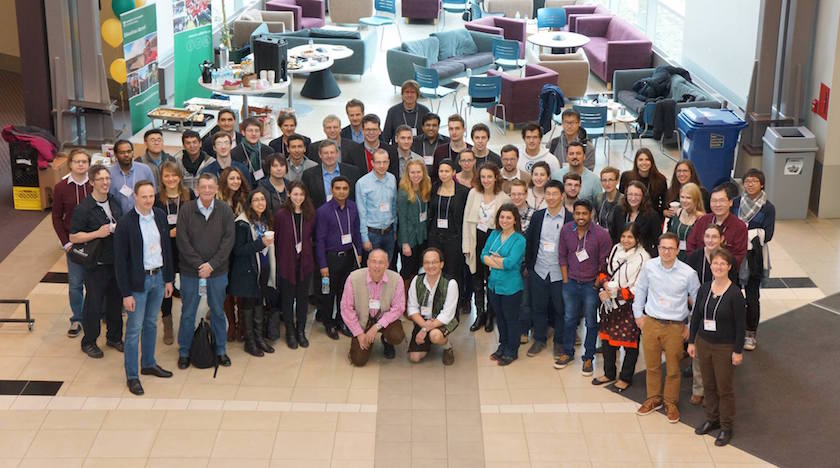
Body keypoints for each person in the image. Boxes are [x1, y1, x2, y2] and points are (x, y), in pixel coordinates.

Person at [114, 180, 175, 396]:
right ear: (135, 198)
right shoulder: (126, 223)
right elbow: (120, 262)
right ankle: (132, 376)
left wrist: (168, 279)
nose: (148, 200)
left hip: (158, 278)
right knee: (134, 330)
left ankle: (148, 363)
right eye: (144, 196)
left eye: (151, 196)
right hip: (137, 284)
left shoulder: (159, 215)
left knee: (151, 324)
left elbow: (166, 249)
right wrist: (126, 293)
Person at [633, 233, 701, 424]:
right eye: (663, 248)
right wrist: (638, 314)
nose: (666, 252)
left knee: (673, 369)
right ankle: (653, 398)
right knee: (652, 366)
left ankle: (671, 402)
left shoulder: (688, 273)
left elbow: (697, 301)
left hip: (675, 327)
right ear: (658, 248)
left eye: (671, 248)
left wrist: (689, 325)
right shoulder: (650, 266)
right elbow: (641, 290)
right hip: (652, 323)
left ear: (678, 250)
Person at [176, 173, 236, 369]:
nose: (207, 190)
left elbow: (228, 242)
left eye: (211, 187)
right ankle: (184, 351)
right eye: (204, 187)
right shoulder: (186, 210)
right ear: (197, 189)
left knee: (218, 311)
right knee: (188, 313)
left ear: (217, 189)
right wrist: (199, 265)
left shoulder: (225, 211)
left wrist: (211, 265)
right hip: (190, 273)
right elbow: (182, 241)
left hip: (217, 272)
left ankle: (220, 350)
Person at [689, 248, 745, 447]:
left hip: (724, 347)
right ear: (710, 265)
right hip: (704, 342)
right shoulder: (704, 288)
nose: (718, 267)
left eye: (723, 264)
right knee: (708, 384)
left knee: (724, 388)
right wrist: (692, 341)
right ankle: (712, 419)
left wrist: (738, 351)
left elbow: (741, 325)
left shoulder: (735, 294)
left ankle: (726, 426)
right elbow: (696, 315)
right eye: (715, 263)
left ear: (729, 267)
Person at [69, 164, 124, 359]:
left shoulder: (114, 201)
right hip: (96, 265)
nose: (106, 183)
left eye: (108, 179)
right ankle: (89, 341)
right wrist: (97, 233)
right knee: (94, 303)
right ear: (92, 182)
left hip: (115, 262)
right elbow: (74, 237)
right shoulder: (84, 208)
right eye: (101, 179)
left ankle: (115, 337)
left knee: (116, 302)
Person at [554, 200, 612, 375]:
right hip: (570, 283)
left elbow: (604, 263)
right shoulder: (566, 230)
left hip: (590, 286)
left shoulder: (601, 234)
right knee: (569, 319)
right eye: (577, 213)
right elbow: (562, 256)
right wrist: (565, 281)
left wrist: (595, 285)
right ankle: (567, 352)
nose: (580, 217)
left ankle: (588, 357)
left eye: (584, 213)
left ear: (591, 214)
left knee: (591, 322)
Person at [591, 223, 650, 391]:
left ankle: (626, 377)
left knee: (630, 343)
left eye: (630, 237)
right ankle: (609, 373)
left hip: (629, 306)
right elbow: (604, 270)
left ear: (637, 238)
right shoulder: (615, 248)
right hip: (608, 303)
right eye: (623, 236)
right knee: (607, 340)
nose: (626, 240)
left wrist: (615, 293)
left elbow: (640, 287)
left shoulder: (643, 257)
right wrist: (604, 287)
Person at [463, 164, 511, 333]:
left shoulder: (504, 198)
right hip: (476, 241)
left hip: (494, 245)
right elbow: (465, 223)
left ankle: (491, 315)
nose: (486, 180)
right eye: (483, 177)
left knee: (492, 281)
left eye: (489, 176)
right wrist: (466, 246)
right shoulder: (473, 194)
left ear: (496, 177)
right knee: (476, 280)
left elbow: (507, 227)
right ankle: (480, 314)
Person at [229, 188, 277, 357]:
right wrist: (261, 243)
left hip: (263, 269)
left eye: (262, 200)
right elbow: (238, 250)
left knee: (259, 302)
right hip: (247, 271)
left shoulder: (265, 220)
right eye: (256, 200)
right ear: (250, 203)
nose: (260, 203)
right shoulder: (242, 223)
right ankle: (250, 341)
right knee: (248, 304)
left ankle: (259, 338)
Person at [315, 176, 363, 340]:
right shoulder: (323, 211)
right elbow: (319, 240)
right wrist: (323, 265)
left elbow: (356, 232)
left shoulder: (353, 207)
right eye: (338, 188)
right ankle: (329, 323)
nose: (341, 192)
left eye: (345, 188)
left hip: (349, 256)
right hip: (330, 259)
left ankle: (342, 321)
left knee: (346, 293)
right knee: (328, 293)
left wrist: (360, 253)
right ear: (332, 190)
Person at [340, 249, 407, 366]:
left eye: (381, 262)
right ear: (367, 263)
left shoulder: (397, 279)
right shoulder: (353, 278)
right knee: (358, 360)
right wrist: (359, 333)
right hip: (363, 321)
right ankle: (364, 339)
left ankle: (386, 341)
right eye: (374, 261)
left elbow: (399, 307)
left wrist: (376, 327)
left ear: (387, 264)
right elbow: (346, 308)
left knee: (396, 335)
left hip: (384, 320)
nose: (377, 266)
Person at [733, 168, 775, 351]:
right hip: (735, 254)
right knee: (733, 295)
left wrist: (742, 231)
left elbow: (768, 234)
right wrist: (749, 232)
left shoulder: (768, 207)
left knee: (752, 297)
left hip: (755, 257)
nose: (750, 184)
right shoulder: (735, 203)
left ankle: (750, 333)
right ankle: (734, 329)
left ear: (762, 184)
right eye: (747, 181)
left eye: (754, 181)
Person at [52, 148, 92, 338]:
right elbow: (56, 217)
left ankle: (97, 314)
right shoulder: (61, 187)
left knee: (96, 282)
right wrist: (66, 243)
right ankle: (78, 318)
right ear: (70, 164)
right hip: (73, 244)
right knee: (75, 284)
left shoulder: (95, 184)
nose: (81, 165)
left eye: (84, 161)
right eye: (77, 161)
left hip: (95, 242)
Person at [154, 161, 195, 345]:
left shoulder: (189, 195)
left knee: (188, 287)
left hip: (186, 248)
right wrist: (167, 233)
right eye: (167, 176)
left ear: (180, 176)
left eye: (174, 175)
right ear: (162, 179)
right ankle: (168, 323)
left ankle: (188, 321)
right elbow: (151, 225)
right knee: (166, 288)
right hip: (165, 250)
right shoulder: (156, 199)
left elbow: (196, 219)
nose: (171, 179)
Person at [524, 179, 566, 358]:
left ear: (562, 196)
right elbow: (531, 242)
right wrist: (529, 266)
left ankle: (559, 342)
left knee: (560, 309)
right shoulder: (538, 216)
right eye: (547, 193)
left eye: (554, 194)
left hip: (560, 273)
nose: (551, 197)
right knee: (538, 307)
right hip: (539, 270)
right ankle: (539, 339)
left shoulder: (570, 218)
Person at [482, 204, 526, 366]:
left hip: (511, 287)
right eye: (502, 217)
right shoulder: (494, 234)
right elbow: (483, 256)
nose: (505, 220)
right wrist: (496, 261)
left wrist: (492, 261)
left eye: (508, 217)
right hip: (494, 285)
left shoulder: (519, 239)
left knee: (511, 319)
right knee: (500, 317)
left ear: (515, 220)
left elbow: (510, 263)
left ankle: (512, 350)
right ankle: (503, 345)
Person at [274, 181, 316, 349]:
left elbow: (312, 238)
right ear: (289, 194)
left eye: (301, 194)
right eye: (295, 194)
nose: (298, 197)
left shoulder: (310, 214)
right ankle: (290, 331)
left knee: (303, 299)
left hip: (304, 264)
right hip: (287, 264)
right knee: (288, 299)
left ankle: (301, 330)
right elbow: (276, 240)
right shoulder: (281, 215)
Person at [428, 160, 470, 314]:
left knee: (453, 272)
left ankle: (454, 305)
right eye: (441, 171)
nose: (443, 174)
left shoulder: (463, 192)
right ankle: (438, 302)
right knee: (435, 271)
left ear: (453, 172)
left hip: (454, 238)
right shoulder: (434, 188)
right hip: (435, 237)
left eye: (447, 171)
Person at [406, 248, 459, 365]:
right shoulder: (416, 280)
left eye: (434, 262)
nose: (430, 266)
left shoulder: (451, 283)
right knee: (414, 357)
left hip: (443, 320)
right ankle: (429, 342)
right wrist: (424, 325)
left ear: (441, 264)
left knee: (435, 335)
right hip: (423, 320)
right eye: (427, 262)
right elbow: (412, 308)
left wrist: (424, 330)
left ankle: (447, 347)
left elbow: (447, 314)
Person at [686, 185, 748, 271]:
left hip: (725, 273)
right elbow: (690, 245)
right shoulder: (703, 221)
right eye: (714, 201)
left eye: (722, 201)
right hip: (700, 269)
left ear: (730, 202)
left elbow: (739, 255)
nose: (717, 204)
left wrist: (720, 267)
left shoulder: (739, 226)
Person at [356, 148, 398, 263]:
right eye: (378, 162)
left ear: (389, 162)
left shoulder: (392, 178)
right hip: (372, 235)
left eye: (385, 162)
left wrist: (394, 230)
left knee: (387, 267)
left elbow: (394, 206)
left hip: (389, 233)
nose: (382, 166)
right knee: (373, 270)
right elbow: (362, 213)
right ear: (372, 163)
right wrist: (364, 238)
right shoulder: (362, 183)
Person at [397, 160, 431, 285]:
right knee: (407, 271)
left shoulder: (425, 188)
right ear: (407, 174)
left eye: (418, 172)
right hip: (409, 239)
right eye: (412, 172)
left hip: (422, 238)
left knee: (419, 269)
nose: (416, 175)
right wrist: (405, 243)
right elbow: (402, 219)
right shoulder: (403, 192)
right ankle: (404, 298)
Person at [301, 140, 361, 208]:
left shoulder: (353, 172)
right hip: (319, 216)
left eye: (332, 152)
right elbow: (307, 200)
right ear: (320, 155)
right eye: (326, 153)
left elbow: (358, 196)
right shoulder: (309, 175)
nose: (329, 156)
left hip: (347, 214)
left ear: (337, 153)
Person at [109, 139, 156, 213]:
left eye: (129, 151)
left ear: (133, 152)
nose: (126, 155)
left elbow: (153, 192)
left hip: (143, 215)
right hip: (121, 218)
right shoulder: (110, 174)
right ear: (115, 154)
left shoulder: (145, 170)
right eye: (122, 152)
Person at [619, 148, 667, 217]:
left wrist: (664, 211)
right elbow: (622, 198)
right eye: (640, 160)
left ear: (652, 162)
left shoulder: (660, 179)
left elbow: (664, 202)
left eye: (647, 159)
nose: (644, 163)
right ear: (636, 162)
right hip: (630, 215)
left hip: (652, 217)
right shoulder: (626, 177)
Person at [382, 80, 430, 144]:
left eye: (412, 92)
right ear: (402, 94)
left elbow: (429, 134)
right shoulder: (392, 112)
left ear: (417, 95)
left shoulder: (425, 111)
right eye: (407, 92)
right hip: (397, 149)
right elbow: (386, 136)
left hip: (419, 149)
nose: (409, 95)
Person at [622, 181, 661, 257]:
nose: (633, 198)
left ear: (643, 196)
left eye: (637, 195)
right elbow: (614, 235)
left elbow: (657, 241)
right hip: (622, 254)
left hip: (643, 256)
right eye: (630, 194)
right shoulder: (618, 211)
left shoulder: (652, 215)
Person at [667, 182, 705, 261]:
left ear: (695, 200)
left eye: (688, 198)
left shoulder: (701, 218)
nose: (684, 200)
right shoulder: (678, 213)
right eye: (682, 197)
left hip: (691, 257)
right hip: (673, 254)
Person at [231, 117, 273, 182]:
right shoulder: (234, 153)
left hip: (265, 188)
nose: (254, 134)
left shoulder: (269, 151)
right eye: (250, 131)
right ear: (243, 132)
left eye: (257, 131)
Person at [175, 130, 215, 195]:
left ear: (200, 144)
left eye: (194, 142)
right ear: (184, 146)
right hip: (185, 198)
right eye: (188, 143)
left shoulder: (210, 162)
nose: (192, 146)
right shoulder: (177, 162)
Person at [594, 166, 625, 244]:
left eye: (611, 180)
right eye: (604, 180)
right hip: (601, 240)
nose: (607, 183)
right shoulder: (599, 198)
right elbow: (595, 219)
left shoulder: (623, 200)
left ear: (617, 181)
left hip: (618, 240)